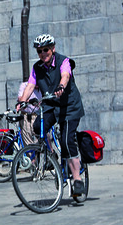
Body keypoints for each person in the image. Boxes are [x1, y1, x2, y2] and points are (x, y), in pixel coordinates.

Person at [17, 33, 86, 196]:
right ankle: (50, 156)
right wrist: (22, 101)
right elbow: (30, 86)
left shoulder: (64, 61)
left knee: (67, 140)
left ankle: (77, 179)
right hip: (50, 105)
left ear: (52, 49)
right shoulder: (37, 68)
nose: (42, 54)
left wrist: (61, 87)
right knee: (37, 126)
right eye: (39, 51)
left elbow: (65, 75)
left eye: (45, 50)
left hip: (69, 106)